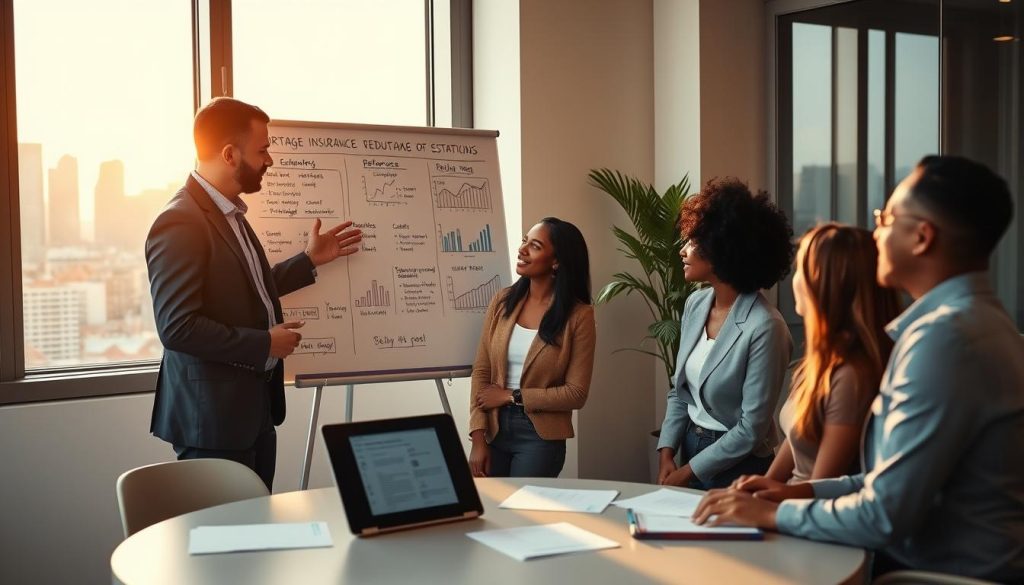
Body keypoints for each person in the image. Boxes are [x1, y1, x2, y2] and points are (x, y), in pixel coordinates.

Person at [693, 156, 1024, 583]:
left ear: (922, 237)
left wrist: (777, 513)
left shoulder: (944, 340)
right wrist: (795, 492)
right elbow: (882, 483)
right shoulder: (980, 323)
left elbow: (883, 515)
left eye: (886, 218)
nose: (877, 234)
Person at [145, 97, 362, 491]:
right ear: (230, 154)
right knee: (224, 541)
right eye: (262, 149)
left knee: (256, 535)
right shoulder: (180, 221)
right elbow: (177, 328)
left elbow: (246, 288)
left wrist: (309, 260)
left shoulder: (230, 214)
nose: (270, 160)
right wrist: (264, 343)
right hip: (211, 423)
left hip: (252, 414)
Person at [656, 178, 794, 490]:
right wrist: (667, 451)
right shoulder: (695, 304)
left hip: (739, 466)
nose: (682, 250)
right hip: (690, 446)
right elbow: (680, 389)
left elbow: (751, 428)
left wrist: (689, 471)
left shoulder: (765, 326)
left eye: (692, 242)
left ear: (721, 248)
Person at [765, 224, 901, 484]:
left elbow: (821, 488)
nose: (794, 281)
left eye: (800, 271)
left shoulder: (851, 376)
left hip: (803, 517)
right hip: (786, 507)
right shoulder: (818, 363)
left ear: (824, 285)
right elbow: (795, 443)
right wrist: (756, 489)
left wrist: (762, 502)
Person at [468, 217, 595, 478]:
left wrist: (511, 395)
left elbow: (576, 393)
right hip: (493, 428)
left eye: (535, 246)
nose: (522, 250)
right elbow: (482, 371)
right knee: (493, 510)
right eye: (524, 241)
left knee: (522, 511)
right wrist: (478, 439)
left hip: (539, 437)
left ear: (556, 261)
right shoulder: (502, 301)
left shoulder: (579, 316)